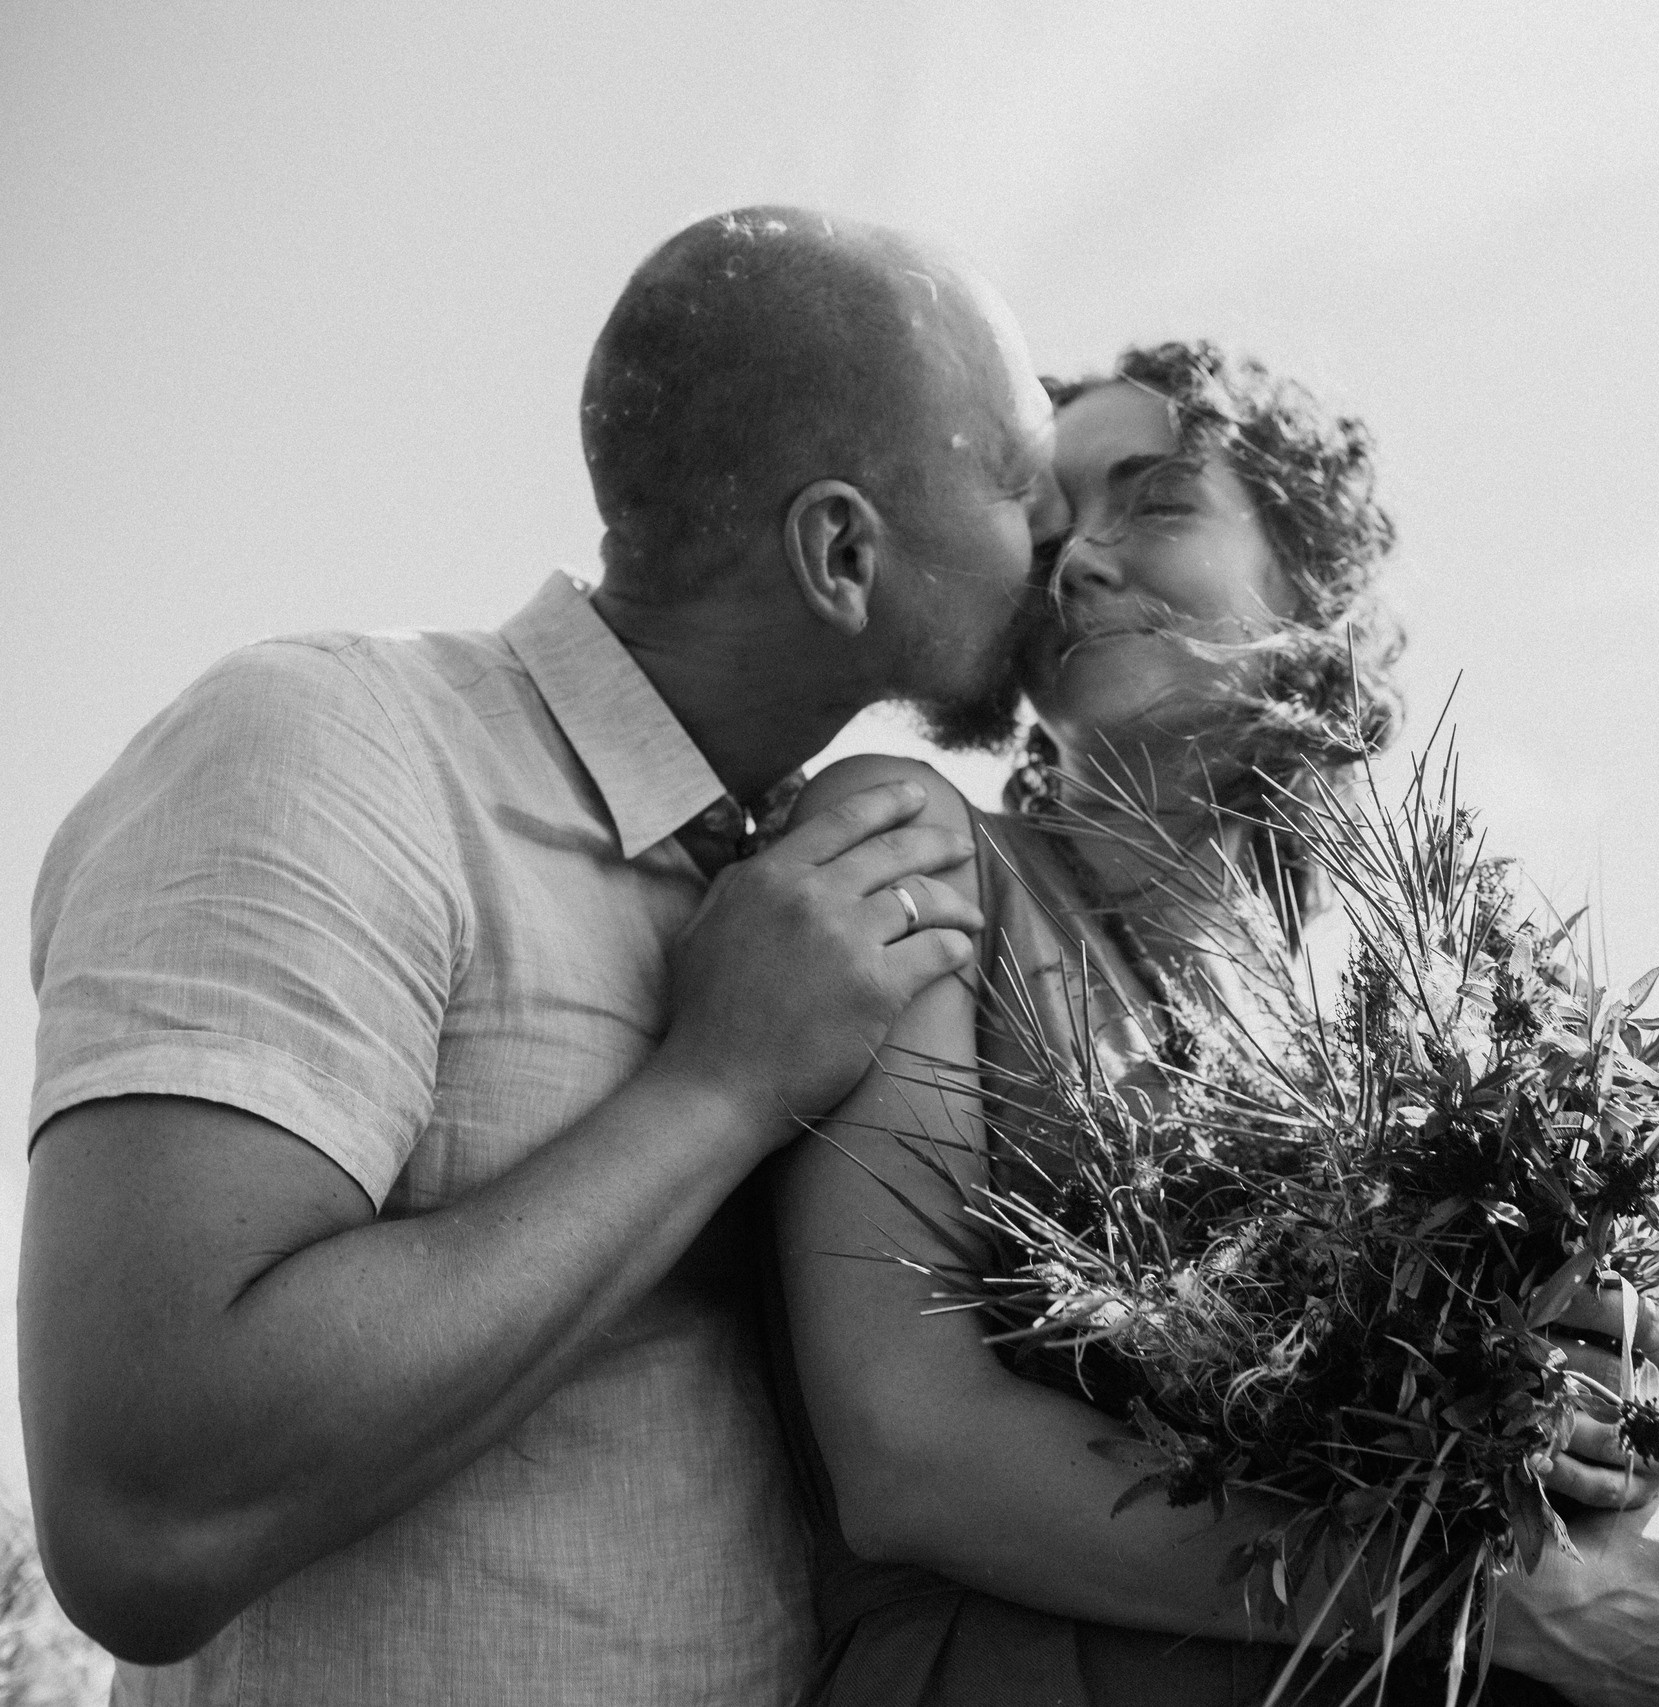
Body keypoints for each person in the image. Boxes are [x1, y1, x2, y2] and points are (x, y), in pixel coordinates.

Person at [18, 208, 1062, 1703]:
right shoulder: (329, 750)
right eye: (1021, 484)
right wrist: (715, 1092)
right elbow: (142, 1504)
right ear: (843, 549)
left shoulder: (813, 891)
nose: (1057, 536)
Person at [772, 342, 1659, 1706]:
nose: (1077, 560)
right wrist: (1470, 1606)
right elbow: (906, 1451)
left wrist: (1599, 1432)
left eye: (1157, 501)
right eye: (1049, 526)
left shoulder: (1422, 1011)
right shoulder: (920, 848)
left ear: (1307, 571)